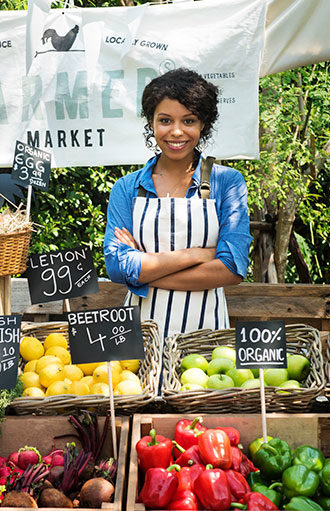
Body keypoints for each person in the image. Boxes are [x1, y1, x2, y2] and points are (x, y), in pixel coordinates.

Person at [103, 68, 252, 340]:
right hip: (137, 337)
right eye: (165, 120)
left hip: (206, 341)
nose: (176, 132)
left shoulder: (227, 183)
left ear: (203, 124)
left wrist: (141, 274)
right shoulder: (127, 188)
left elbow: (231, 269)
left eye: (189, 120)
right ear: (151, 122)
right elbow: (116, 267)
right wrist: (197, 254)